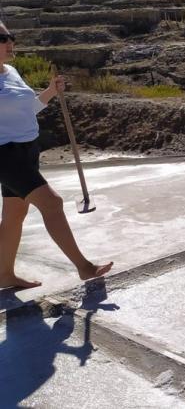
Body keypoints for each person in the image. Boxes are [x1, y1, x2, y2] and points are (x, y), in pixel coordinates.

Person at [0, 21, 113, 289]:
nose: (9, 42)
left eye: (9, 37)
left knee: (15, 215)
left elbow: (28, 109)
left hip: (27, 150)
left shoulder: (11, 72)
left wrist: (51, 91)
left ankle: (4, 275)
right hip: (4, 154)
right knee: (52, 203)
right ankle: (84, 267)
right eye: (2, 38)